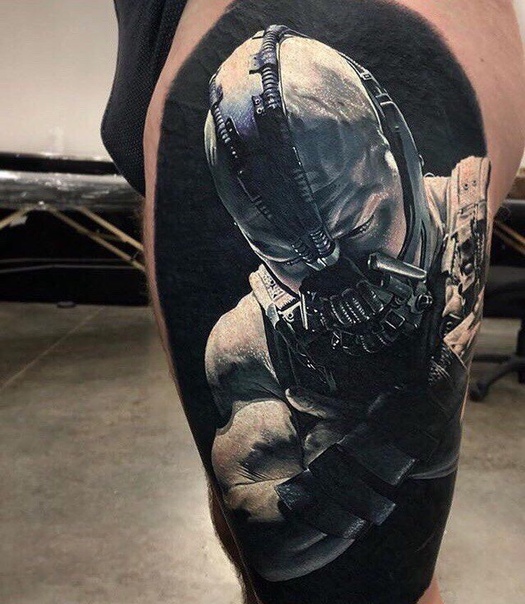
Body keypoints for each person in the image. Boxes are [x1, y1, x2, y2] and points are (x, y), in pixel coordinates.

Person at [102, 1, 525, 602]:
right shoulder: (255, 336)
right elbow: (264, 525)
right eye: (293, 260)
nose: (340, 281)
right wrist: (387, 443)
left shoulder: (456, 219)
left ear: (397, 147)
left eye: (358, 229)